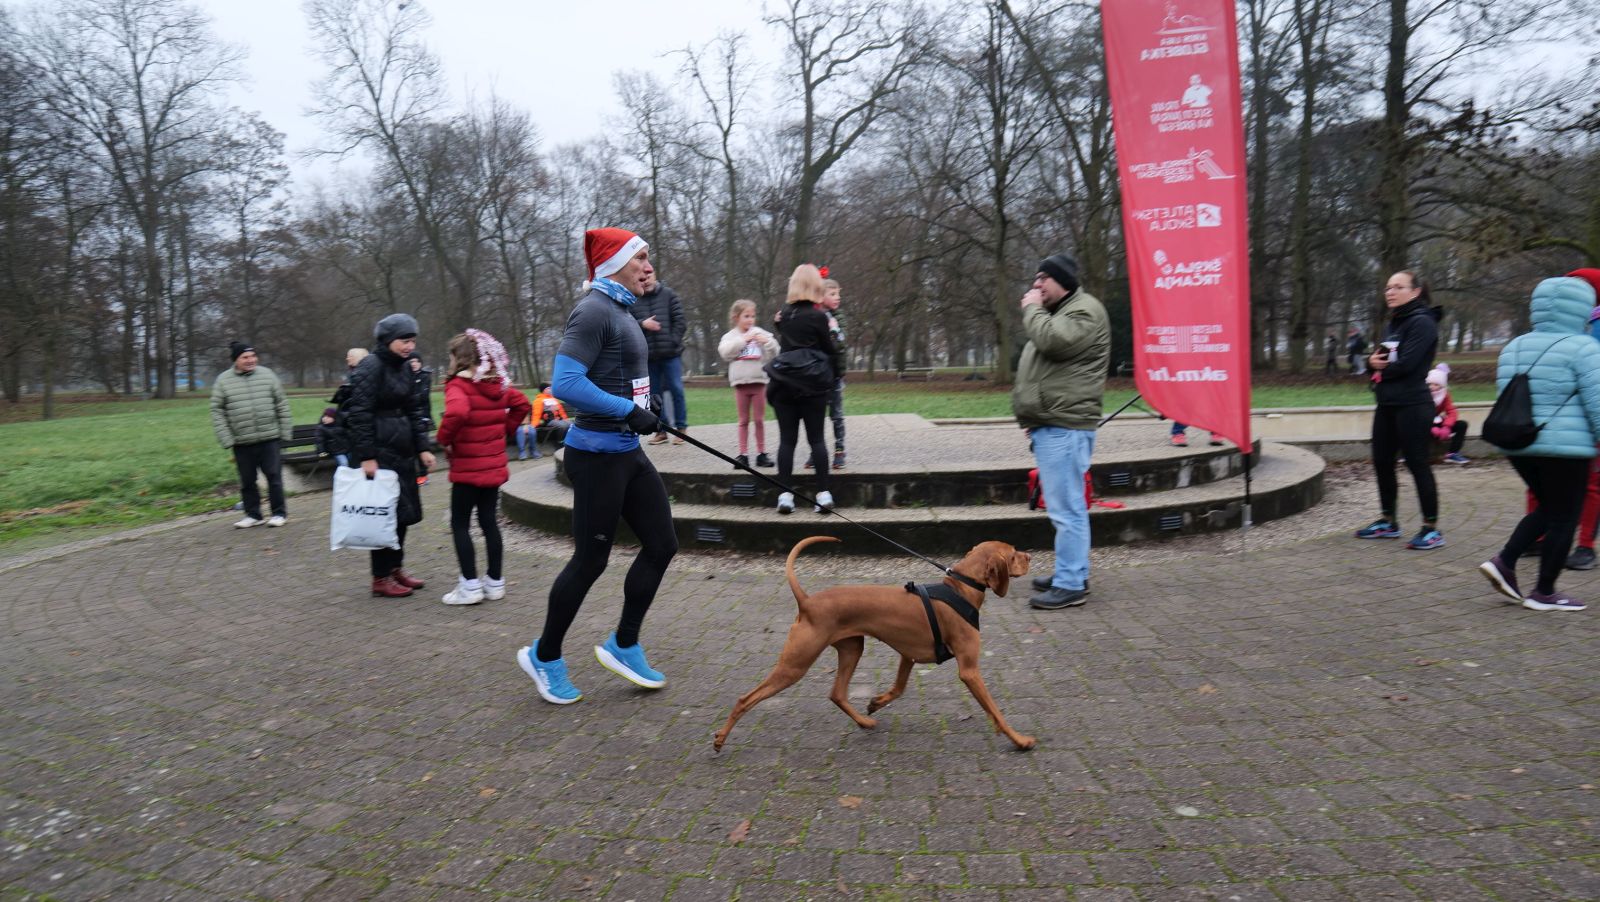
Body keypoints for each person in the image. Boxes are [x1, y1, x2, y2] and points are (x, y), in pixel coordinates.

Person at [517, 227, 677, 705]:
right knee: (590, 561)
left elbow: (620, 376)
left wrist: (644, 405)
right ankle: (544, 656)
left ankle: (624, 644)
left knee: (662, 544)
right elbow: (566, 383)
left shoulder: (623, 310)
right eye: (640, 257)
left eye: (648, 257)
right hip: (596, 456)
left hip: (626, 451)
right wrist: (628, 409)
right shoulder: (593, 309)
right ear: (614, 264)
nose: (649, 266)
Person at [1477, 275, 1600, 612]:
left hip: (1518, 443)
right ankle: (1544, 592)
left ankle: (1504, 562)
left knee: (1549, 507)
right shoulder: (1585, 348)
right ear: (1581, 309)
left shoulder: (1513, 346)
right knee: (1565, 517)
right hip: (1567, 448)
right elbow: (1597, 404)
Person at [1011, 253, 1110, 610]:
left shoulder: (1083, 312)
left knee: (1067, 510)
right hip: (1053, 422)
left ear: (1062, 281)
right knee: (1067, 507)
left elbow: (1053, 342)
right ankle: (1072, 573)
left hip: (1064, 426)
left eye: (1043, 278)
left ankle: (1070, 585)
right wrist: (1034, 417)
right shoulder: (1062, 312)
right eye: (1036, 280)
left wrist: (1032, 309)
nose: (1036, 285)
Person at [436, 329, 531, 606]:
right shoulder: (497, 384)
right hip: (492, 467)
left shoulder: (458, 385)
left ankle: (470, 586)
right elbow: (522, 404)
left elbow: (457, 412)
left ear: (459, 357)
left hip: (467, 468)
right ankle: (495, 583)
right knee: (489, 522)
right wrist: (505, 431)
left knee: (460, 524)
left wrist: (444, 439)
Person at [345, 313, 436, 598]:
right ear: (387, 340)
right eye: (404, 341)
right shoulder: (371, 366)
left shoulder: (405, 367)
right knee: (383, 515)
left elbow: (415, 409)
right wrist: (367, 456)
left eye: (412, 341)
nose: (410, 346)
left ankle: (396, 568)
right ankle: (380, 577)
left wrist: (423, 447)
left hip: (403, 450)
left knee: (403, 514)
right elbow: (359, 414)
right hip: (381, 451)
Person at [1355, 271, 1444, 549]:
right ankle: (1388, 522)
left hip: (1413, 405)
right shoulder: (1393, 322)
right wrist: (1370, 364)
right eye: (1388, 287)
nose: (1390, 292)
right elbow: (1378, 360)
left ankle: (1431, 529)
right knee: (1382, 462)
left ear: (1415, 292)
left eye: (1398, 287)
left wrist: (1378, 368)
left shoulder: (1423, 322)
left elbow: (1407, 364)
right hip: (1387, 404)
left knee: (1417, 464)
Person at [766, 264, 840, 514]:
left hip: (784, 382)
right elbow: (827, 349)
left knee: (787, 441)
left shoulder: (784, 314)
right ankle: (823, 494)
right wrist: (836, 372)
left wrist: (778, 326)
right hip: (812, 383)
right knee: (816, 439)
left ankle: (785, 496)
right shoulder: (818, 316)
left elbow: (789, 345)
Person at [210, 341, 292, 528]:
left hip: (269, 437)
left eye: (253, 356)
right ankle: (253, 515)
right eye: (245, 357)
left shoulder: (268, 375)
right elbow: (217, 410)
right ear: (236, 360)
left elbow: (281, 404)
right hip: (242, 441)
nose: (251, 360)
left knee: (274, 477)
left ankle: (279, 513)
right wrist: (226, 438)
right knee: (247, 481)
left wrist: (285, 432)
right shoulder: (223, 380)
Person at [717, 299, 778, 468]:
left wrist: (767, 342)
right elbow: (725, 353)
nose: (750, 320)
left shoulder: (760, 333)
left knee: (759, 420)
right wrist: (744, 339)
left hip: (759, 383)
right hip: (741, 384)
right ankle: (743, 455)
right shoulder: (730, 336)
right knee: (743, 420)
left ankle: (761, 454)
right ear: (736, 317)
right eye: (746, 316)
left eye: (752, 316)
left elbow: (775, 351)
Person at [632, 271, 689, 445]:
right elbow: (628, 324)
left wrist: (673, 341)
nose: (646, 279)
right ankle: (661, 431)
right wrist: (643, 323)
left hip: (670, 354)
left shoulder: (669, 295)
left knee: (676, 390)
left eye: (649, 275)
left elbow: (680, 321)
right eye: (642, 277)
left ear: (655, 276)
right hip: (649, 357)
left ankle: (681, 429)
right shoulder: (634, 300)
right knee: (654, 396)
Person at [818, 275, 848, 470]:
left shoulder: (839, 317)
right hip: (818, 374)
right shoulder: (815, 316)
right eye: (832, 294)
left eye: (838, 294)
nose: (837, 297)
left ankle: (839, 449)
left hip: (835, 374)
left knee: (836, 414)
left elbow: (841, 343)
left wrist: (835, 330)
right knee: (817, 415)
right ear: (821, 297)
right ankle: (817, 451)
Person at [1426, 364, 1469, 465]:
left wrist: (1447, 426)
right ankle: (1415, 454)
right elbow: (1420, 414)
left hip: (1438, 422)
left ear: (1442, 385)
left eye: (1436, 384)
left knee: (1462, 425)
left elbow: (1452, 411)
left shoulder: (1445, 395)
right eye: (1430, 384)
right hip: (1425, 423)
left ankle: (1452, 453)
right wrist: (1430, 427)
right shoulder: (1423, 394)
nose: (1432, 387)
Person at [522, 382, 571, 458]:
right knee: (562, 426)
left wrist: (566, 419)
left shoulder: (554, 399)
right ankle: (559, 443)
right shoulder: (539, 401)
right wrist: (533, 425)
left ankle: (568, 442)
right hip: (549, 421)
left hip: (559, 420)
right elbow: (536, 414)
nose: (550, 389)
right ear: (544, 390)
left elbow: (561, 411)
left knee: (570, 424)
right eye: (548, 388)